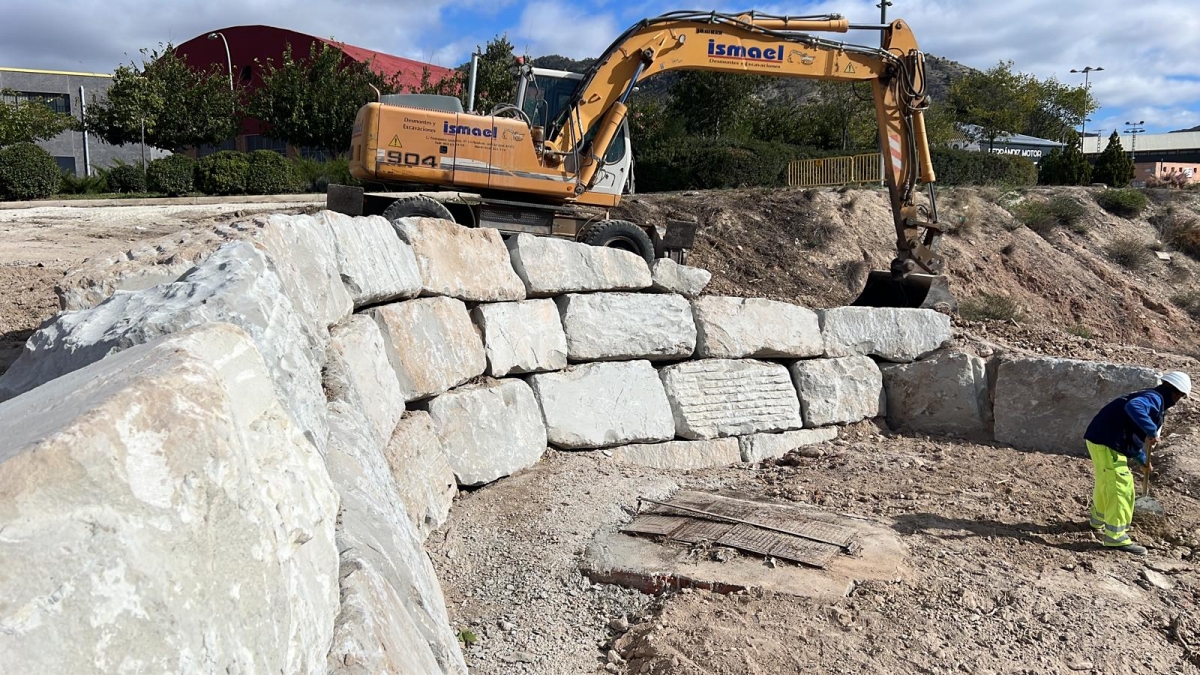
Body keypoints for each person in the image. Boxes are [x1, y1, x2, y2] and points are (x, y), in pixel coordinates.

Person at [1083, 371, 1191, 555]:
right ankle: (1116, 538)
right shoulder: (1154, 398)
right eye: (1180, 397)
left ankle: (1098, 520)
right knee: (1122, 488)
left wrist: (1142, 459)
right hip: (1108, 442)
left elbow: (1128, 431)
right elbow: (1134, 407)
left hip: (1099, 439)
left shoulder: (1151, 395)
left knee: (1106, 482)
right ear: (1176, 393)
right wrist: (1150, 429)